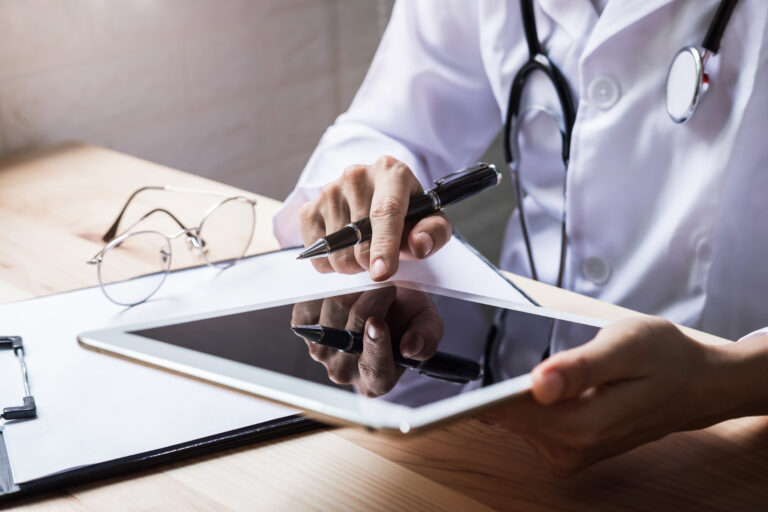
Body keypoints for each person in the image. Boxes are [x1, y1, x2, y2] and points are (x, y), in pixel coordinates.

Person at [273, 1, 768, 475]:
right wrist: (369, 205)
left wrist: (729, 379)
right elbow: (396, 123)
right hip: (506, 409)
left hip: (732, 445)